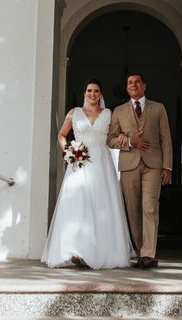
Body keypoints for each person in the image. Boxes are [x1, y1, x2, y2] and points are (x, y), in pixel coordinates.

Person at [41, 78, 133, 269]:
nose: (93, 94)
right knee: (78, 204)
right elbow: (61, 135)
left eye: (96, 91)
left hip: (102, 162)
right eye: (89, 91)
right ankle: (76, 250)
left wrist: (123, 136)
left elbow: (116, 134)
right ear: (85, 93)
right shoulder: (74, 113)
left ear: (101, 94)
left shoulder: (108, 113)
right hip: (79, 163)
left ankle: (101, 250)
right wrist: (68, 151)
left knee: (102, 204)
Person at [107, 73, 172, 269]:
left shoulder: (158, 108)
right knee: (133, 210)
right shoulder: (118, 111)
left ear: (144, 86)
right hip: (129, 165)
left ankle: (148, 254)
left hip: (153, 165)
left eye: (137, 82)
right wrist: (128, 141)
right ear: (127, 88)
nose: (133, 85)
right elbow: (109, 139)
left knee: (150, 207)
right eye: (130, 83)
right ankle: (139, 249)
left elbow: (166, 139)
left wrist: (167, 166)